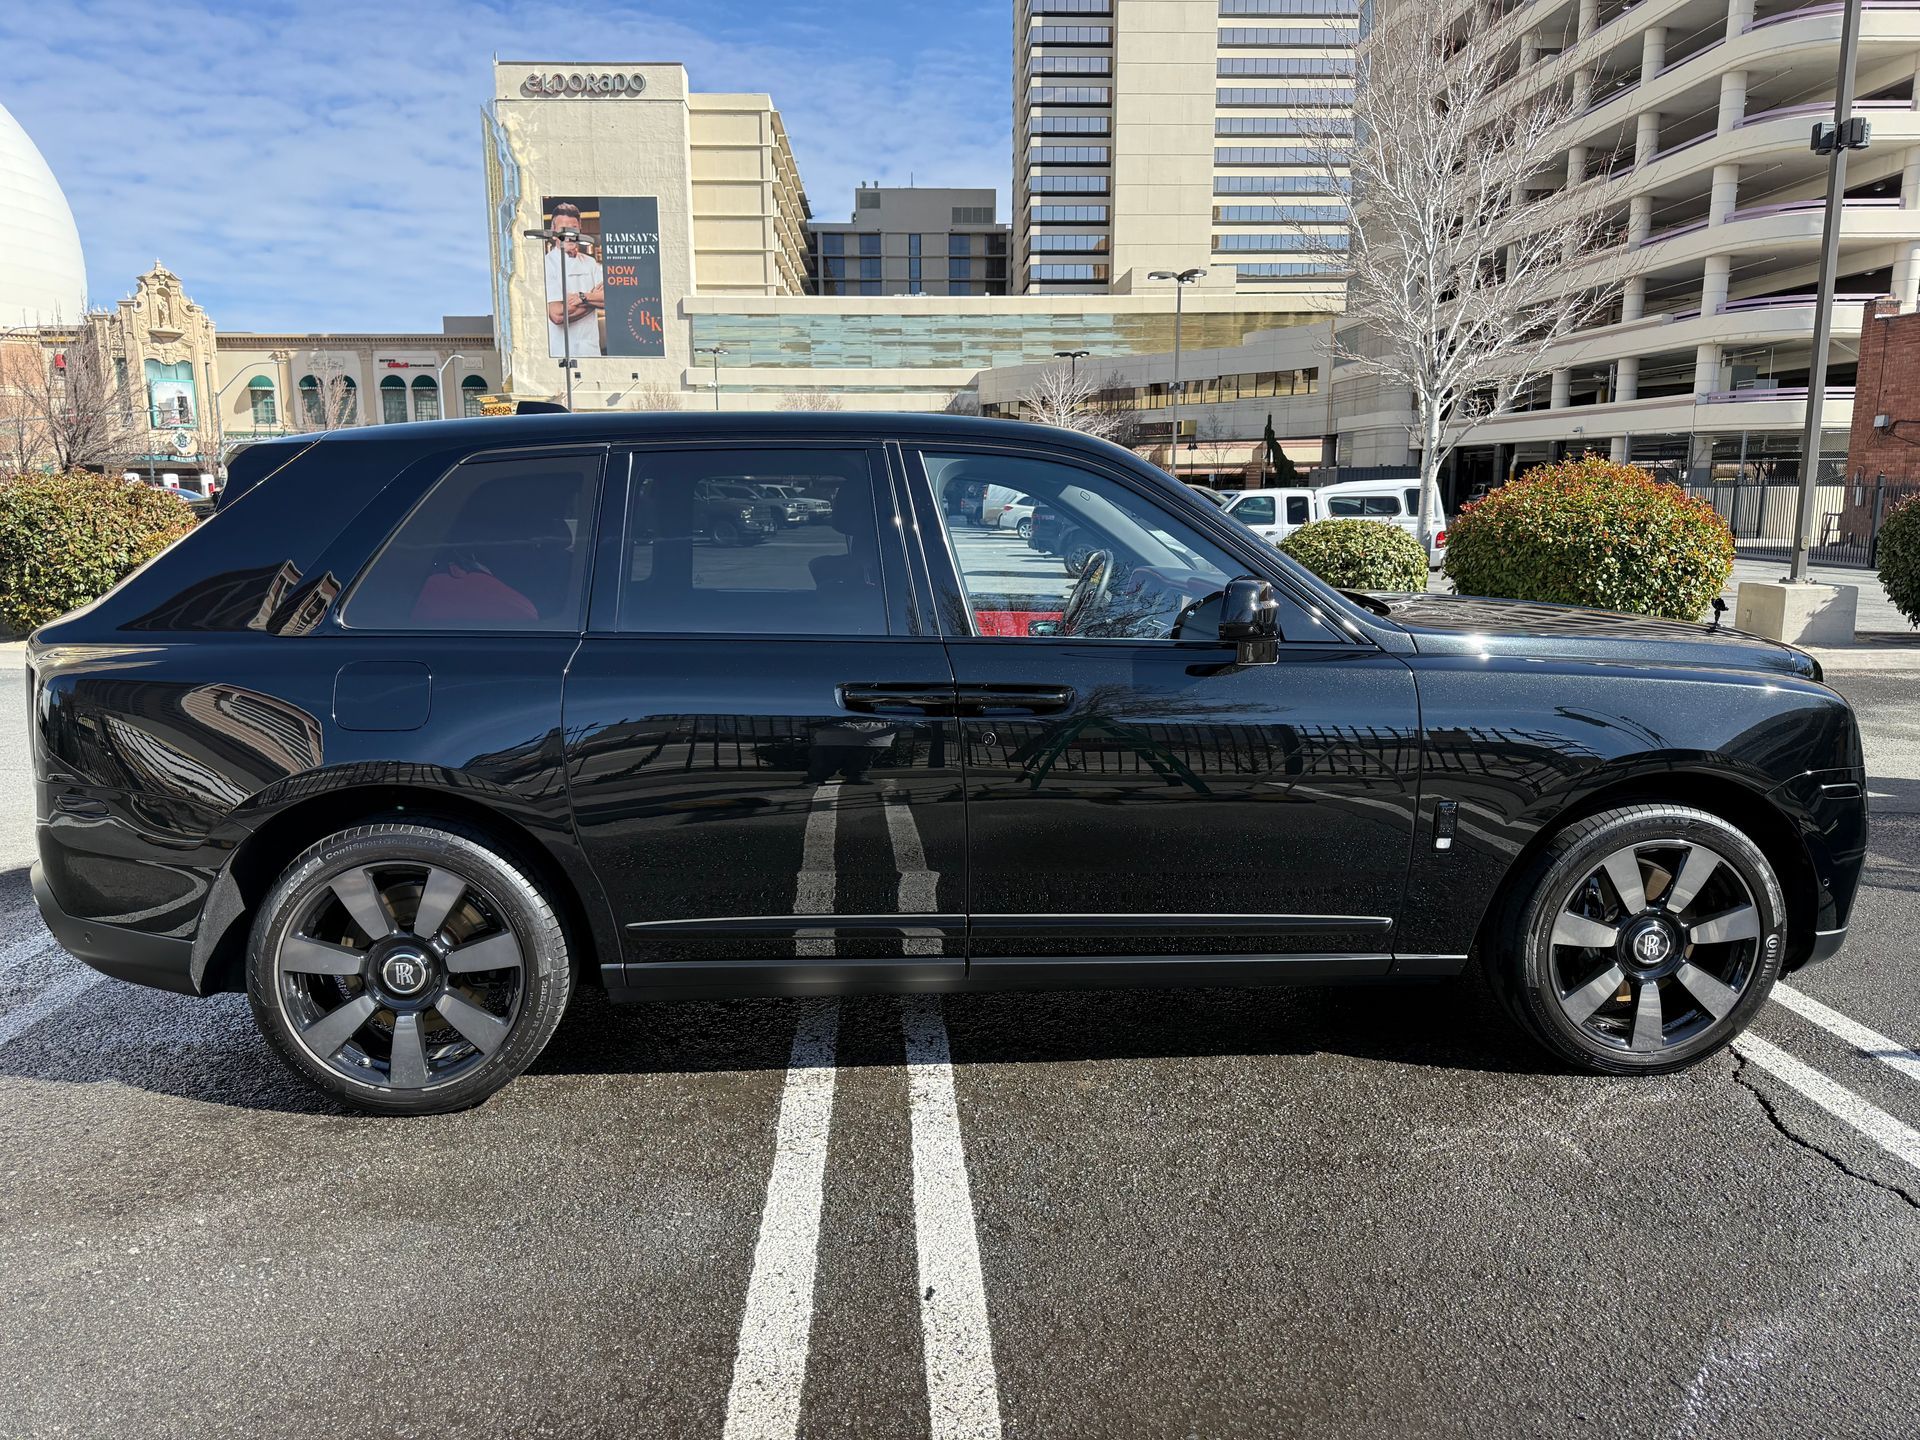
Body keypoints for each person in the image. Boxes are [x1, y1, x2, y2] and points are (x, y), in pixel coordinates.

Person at [544, 203, 604, 359]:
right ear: (553, 231)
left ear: (580, 229)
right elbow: (557, 314)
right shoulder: (546, 264)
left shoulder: (590, 263)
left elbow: (611, 298)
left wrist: (581, 297)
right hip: (560, 354)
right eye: (563, 228)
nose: (569, 234)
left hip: (591, 352)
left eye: (573, 228)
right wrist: (593, 299)